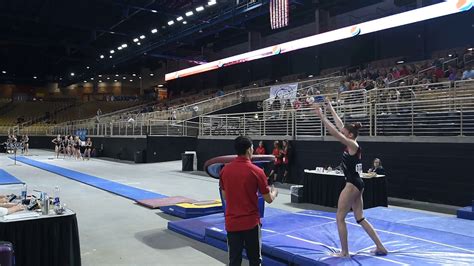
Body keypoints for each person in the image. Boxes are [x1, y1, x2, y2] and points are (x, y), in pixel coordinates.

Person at [314, 99, 388, 257]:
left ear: (350, 135)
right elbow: (340, 125)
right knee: (360, 218)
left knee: (340, 217)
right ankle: (380, 246)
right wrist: (330, 108)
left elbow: (334, 132)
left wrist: (322, 116)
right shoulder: (352, 142)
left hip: (352, 184)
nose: (342, 132)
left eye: (344, 133)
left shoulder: (353, 145)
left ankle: (345, 252)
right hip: (358, 183)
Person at [219, 136, 278, 266]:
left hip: (232, 223)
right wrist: (274, 192)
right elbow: (268, 199)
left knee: (234, 261)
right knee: (255, 260)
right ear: (249, 150)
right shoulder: (257, 171)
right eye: (252, 148)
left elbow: (225, 196)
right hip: (250, 224)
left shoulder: (225, 170)